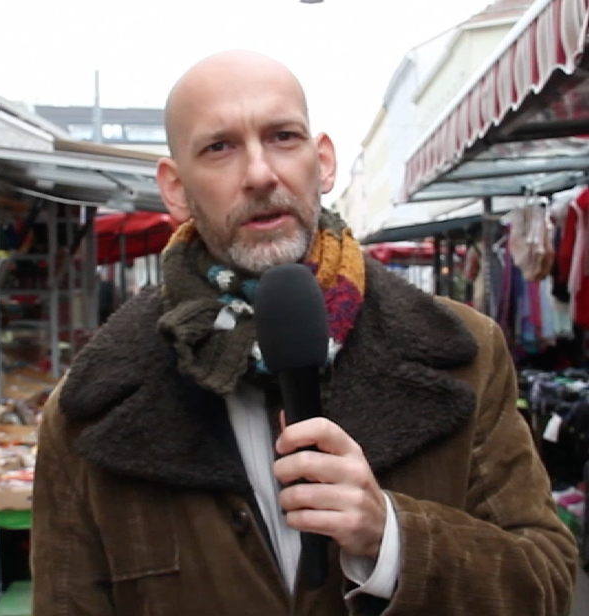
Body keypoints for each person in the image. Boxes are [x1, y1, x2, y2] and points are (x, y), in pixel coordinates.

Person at [31, 50, 577, 616]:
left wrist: (390, 539)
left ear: (324, 162)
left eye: (282, 137)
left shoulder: (463, 353)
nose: (261, 174)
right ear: (174, 188)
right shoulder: (89, 410)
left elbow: (547, 582)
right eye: (219, 147)